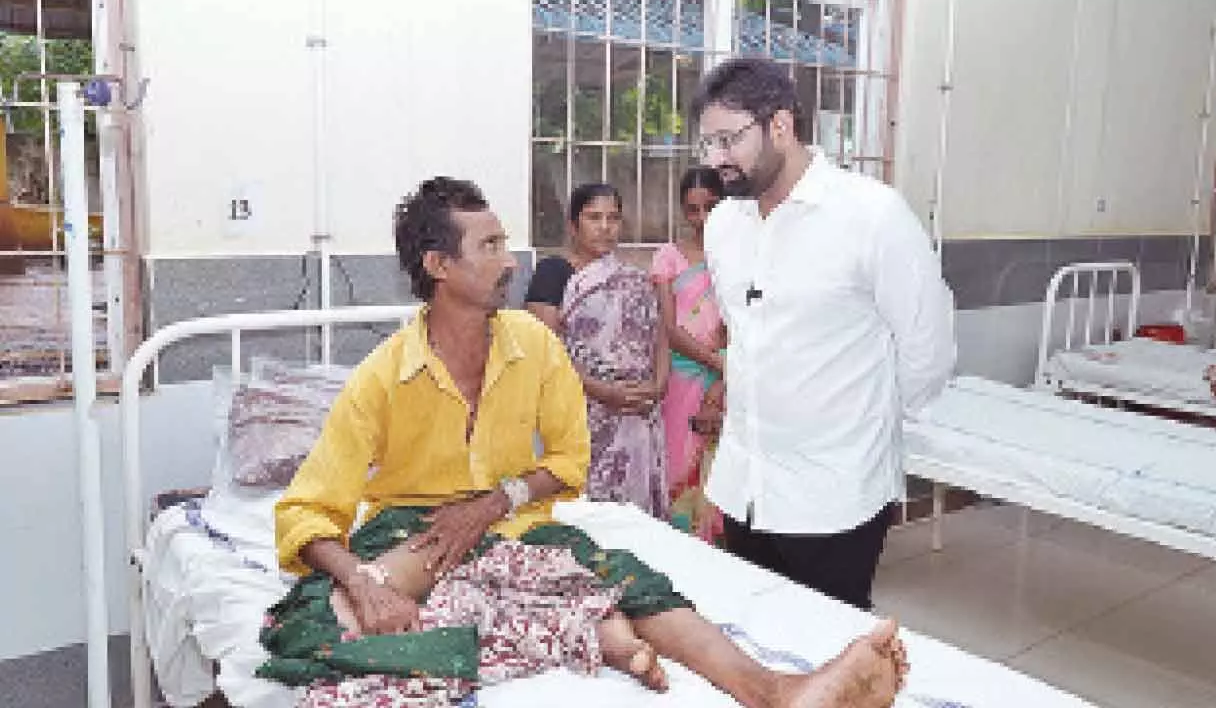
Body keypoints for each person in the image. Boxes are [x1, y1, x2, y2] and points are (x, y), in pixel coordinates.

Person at [261, 176, 909, 708]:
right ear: (439, 266)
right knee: (315, 624)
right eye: (488, 247)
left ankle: (776, 691)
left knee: (630, 580)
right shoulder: (383, 376)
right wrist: (362, 580)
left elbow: (568, 462)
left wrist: (494, 503)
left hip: (516, 523)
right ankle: (577, 628)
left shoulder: (534, 345)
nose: (510, 261)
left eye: (504, 243)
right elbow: (306, 510)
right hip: (418, 532)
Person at [691, 58, 957, 611]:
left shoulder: (871, 216)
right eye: (707, 144)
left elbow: (927, 352)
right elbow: (745, 339)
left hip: (835, 495)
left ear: (781, 125)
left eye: (729, 140)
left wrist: (860, 424)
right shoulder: (723, 226)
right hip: (746, 488)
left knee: (831, 661)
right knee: (752, 642)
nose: (716, 159)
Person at [525, 183, 670, 518]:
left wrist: (660, 383)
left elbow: (660, 331)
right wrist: (604, 391)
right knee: (590, 512)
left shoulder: (632, 277)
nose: (605, 227)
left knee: (639, 516)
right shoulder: (554, 273)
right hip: (583, 410)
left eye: (613, 218)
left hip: (639, 411)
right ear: (573, 225)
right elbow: (548, 352)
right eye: (594, 217)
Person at [651, 167, 729, 543]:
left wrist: (724, 379)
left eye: (711, 208)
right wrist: (719, 365)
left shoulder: (737, 258)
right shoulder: (668, 257)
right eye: (693, 210)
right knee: (679, 470)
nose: (702, 219)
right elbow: (670, 330)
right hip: (682, 381)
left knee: (721, 479)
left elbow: (741, 323)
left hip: (729, 381)